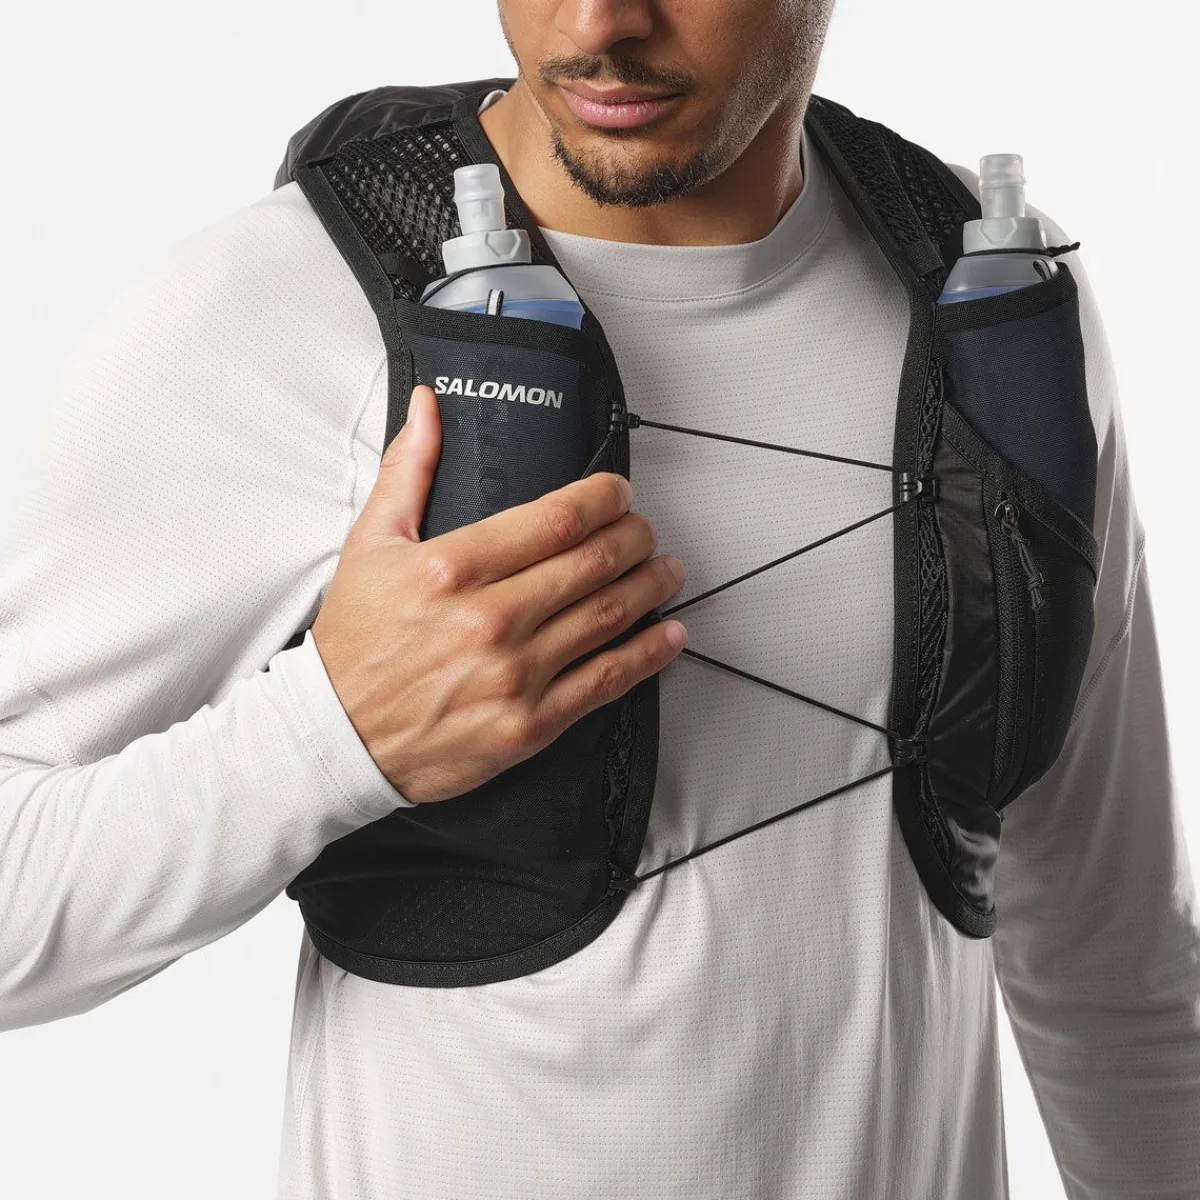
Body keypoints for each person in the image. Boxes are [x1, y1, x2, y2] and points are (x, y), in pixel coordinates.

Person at [1, 1, 1198, 1196]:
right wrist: (331, 734)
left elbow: (1119, 966)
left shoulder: (988, 300)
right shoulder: (281, 307)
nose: (596, 22)